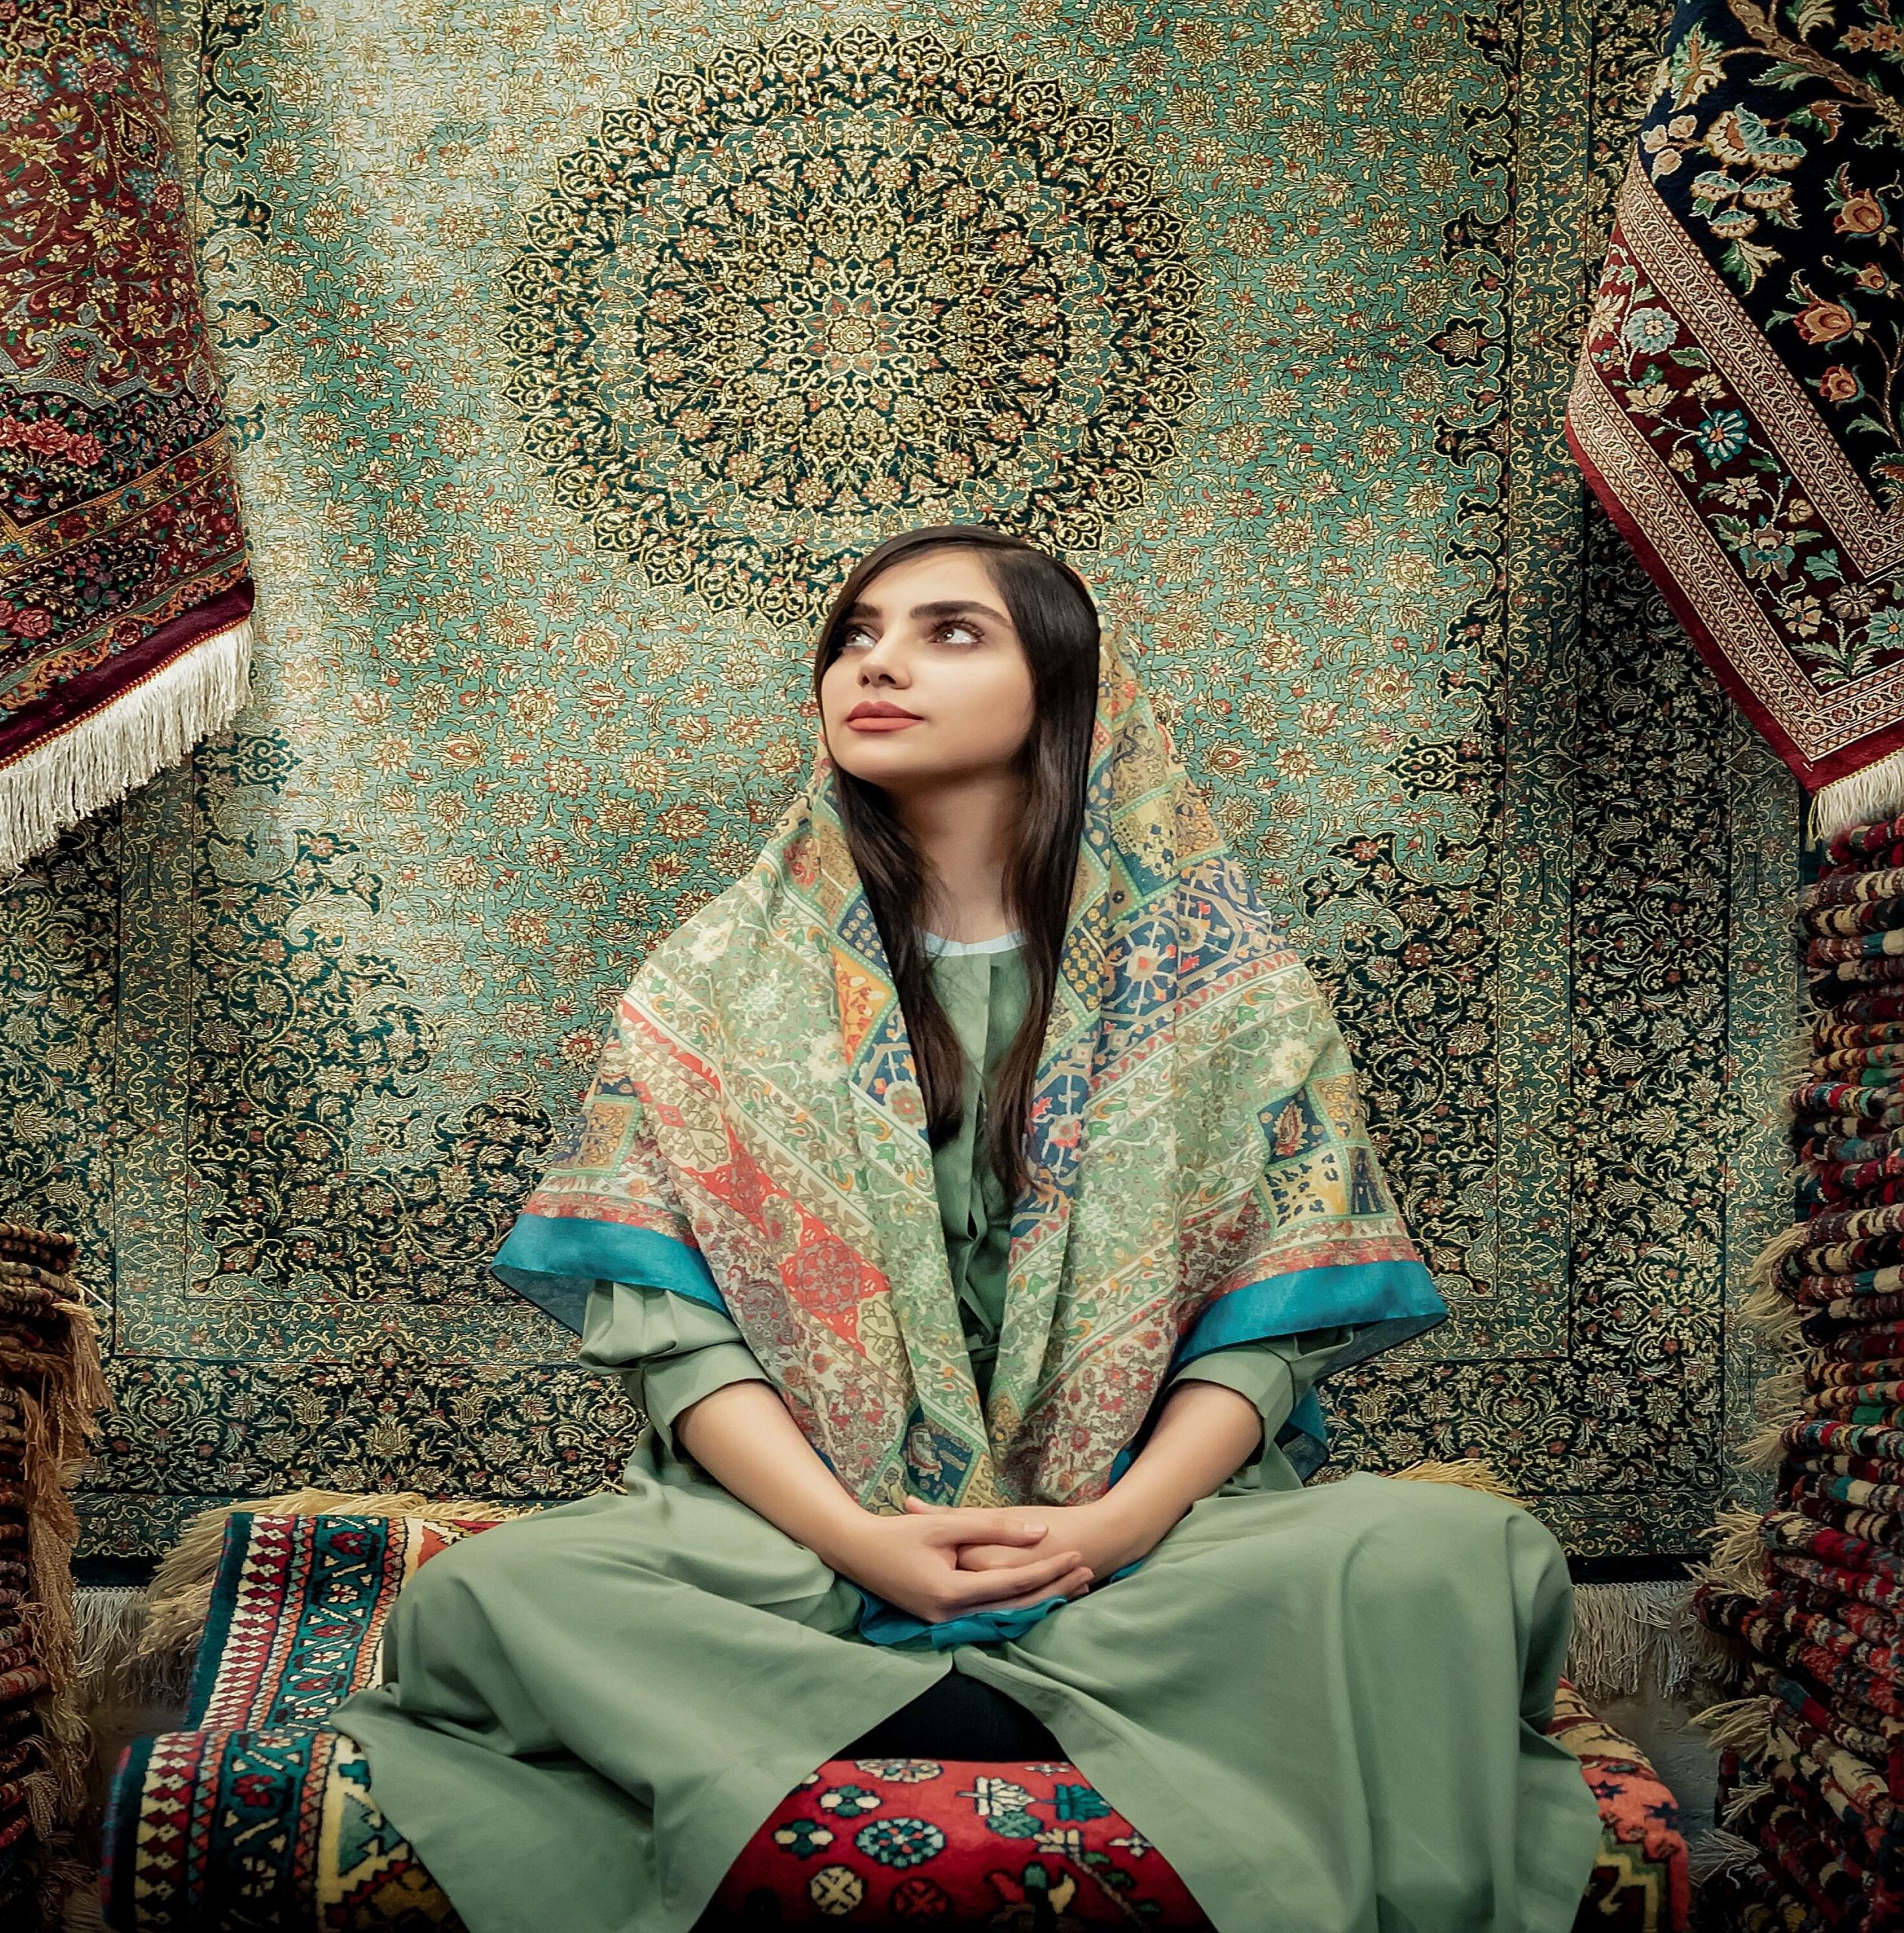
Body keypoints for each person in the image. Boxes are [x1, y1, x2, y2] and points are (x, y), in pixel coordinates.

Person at [329, 525, 1602, 1933]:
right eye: (857, 635)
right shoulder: (716, 979)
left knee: (1455, 1560)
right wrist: (860, 1543)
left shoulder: (1227, 988)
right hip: (797, 1553)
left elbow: (1270, 1325)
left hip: (1148, 1551)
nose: (876, 663)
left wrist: (1113, 1527)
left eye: (950, 632)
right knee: (490, 1599)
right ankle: (1067, 1704)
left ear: (1069, 692)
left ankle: (866, 1710)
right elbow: (673, 1334)